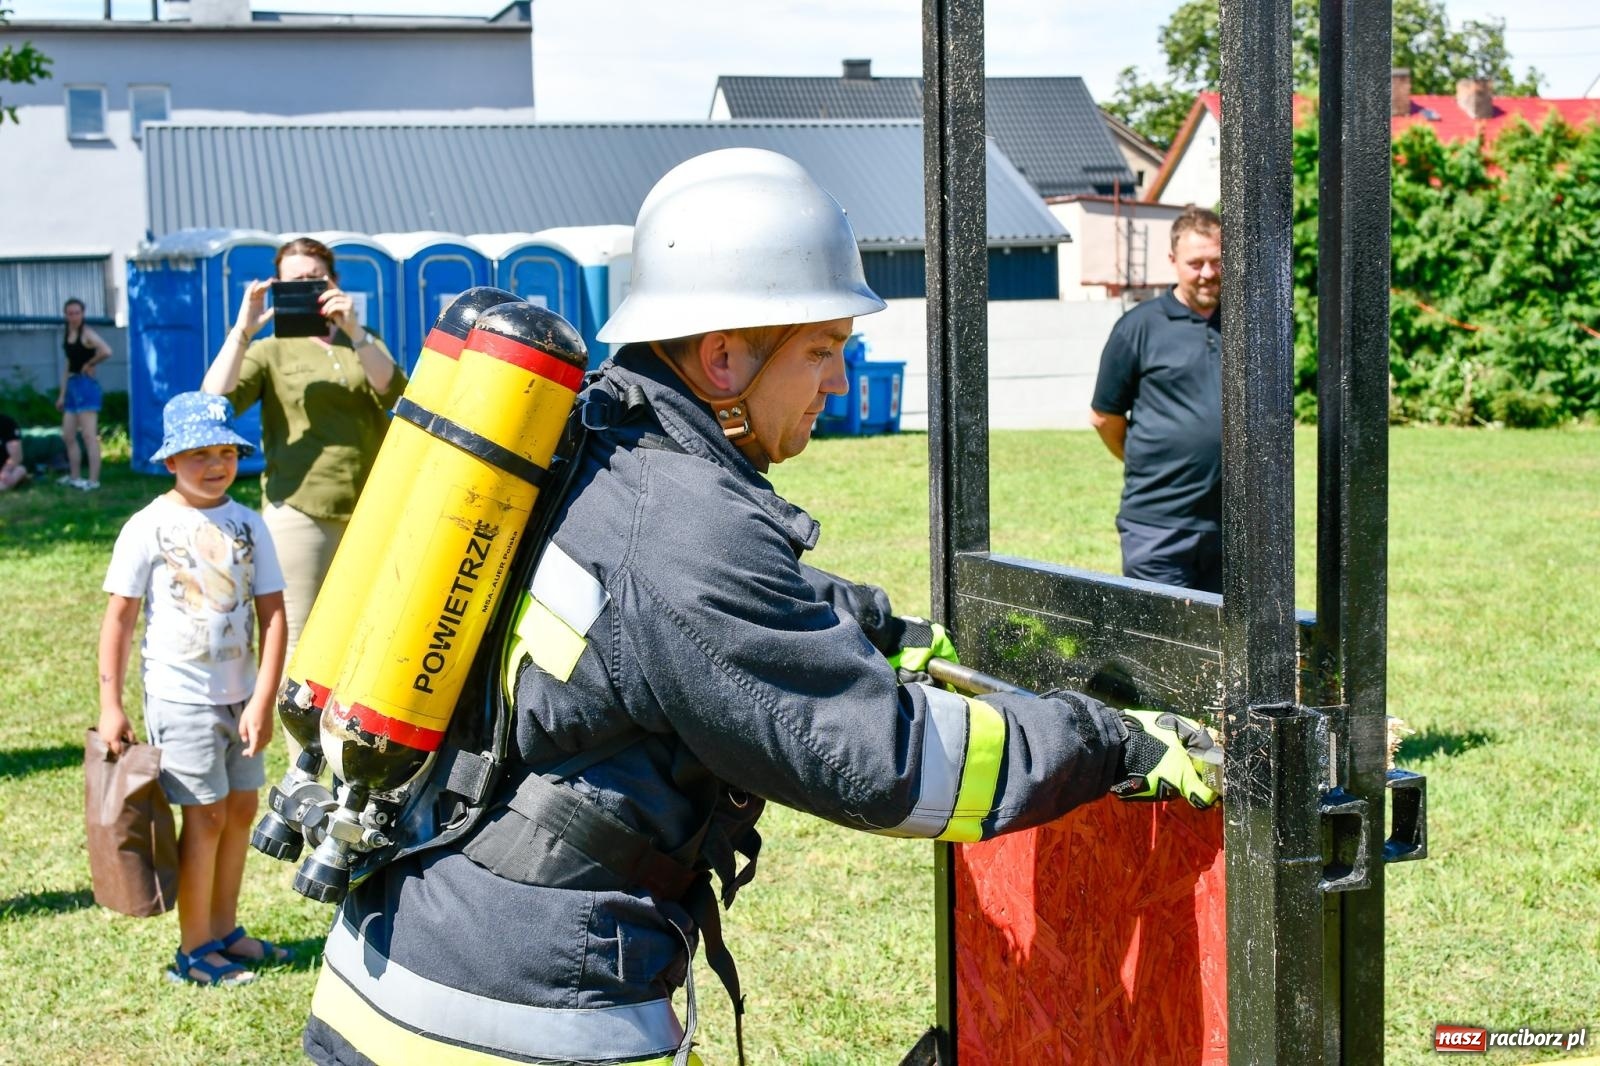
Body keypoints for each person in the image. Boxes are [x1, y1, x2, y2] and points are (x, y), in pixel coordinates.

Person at [301, 149, 1219, 1066]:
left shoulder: (600, 441)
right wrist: (1109, 742)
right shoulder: (687, 529)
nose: (841, 383)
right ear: (725, 356)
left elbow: (669, 616)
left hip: (395, 964)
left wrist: (877, 634)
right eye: (822, 351)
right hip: (518, 1018)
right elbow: (890, 766)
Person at [98, 391, 291, 987]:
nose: (216, 464)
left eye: (226, 452)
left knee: (240, 810)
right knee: (203, 815)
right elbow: (120, 620)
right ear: (169, 462)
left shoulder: (250, 523)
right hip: (180, 699)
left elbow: (274, 615)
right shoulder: (147, 526)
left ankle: (226, 931)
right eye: (198, 453)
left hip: (242, 700)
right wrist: (111, 704)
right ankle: (194, 948)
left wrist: (262, 699)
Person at [200, 236, 407, 658]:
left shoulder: (363, 340)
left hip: (373, 509)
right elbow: (212, 403)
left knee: (366, 636)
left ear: (334, 281)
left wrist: (356, 331)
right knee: (299, 641)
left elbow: (395, 393)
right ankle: (292, 727)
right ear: (278, 285)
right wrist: (243, 330)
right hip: (300, 511)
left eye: (316, 277)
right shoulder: (269, 349)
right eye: (296, 280)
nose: (308, 286)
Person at [1089, 205, 1224, 594]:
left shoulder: (1247, 324)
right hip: (1158, 527)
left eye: (1216, 261)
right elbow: (1104, 417)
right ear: (1172, 261)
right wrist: (1149, 459)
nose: (1207, 273)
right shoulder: (1139, 327)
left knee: (1227, 651)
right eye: (1195, 263)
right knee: (1163, 648)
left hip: (1235, 528)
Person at [57, 296, 113, 491]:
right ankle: (74, 476)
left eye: (77, 313)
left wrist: (90, 363)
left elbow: (106, 350)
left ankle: (93, 480)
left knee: (89, 436)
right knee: (68, 435)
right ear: (66, 315)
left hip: (86, 386)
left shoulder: (87, 333)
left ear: (83, 314)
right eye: (70, 313)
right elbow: (67, 365)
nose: (74, 317)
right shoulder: (67, 334)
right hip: (72, 385)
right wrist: (62, 394)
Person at [0, 410, 27, 491]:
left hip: (5, 469)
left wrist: (5, 471)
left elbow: (17, 456)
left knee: (20, 470)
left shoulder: (6, 423)